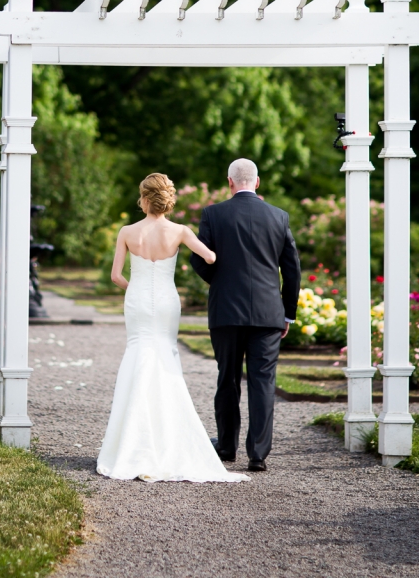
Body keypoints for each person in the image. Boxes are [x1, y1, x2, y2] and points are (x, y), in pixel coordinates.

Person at [96, 173, 248, 483]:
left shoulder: (127, 231)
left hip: (137, 301)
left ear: (144, 198)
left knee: (138, 354)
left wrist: (135, 290)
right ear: (167, 199)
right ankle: (170, 439)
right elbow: (210, 256)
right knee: (165, 356)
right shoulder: (180, 231)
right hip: (167, 301)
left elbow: (115, 276)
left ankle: (131, 442)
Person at [190, 158, 301, 472]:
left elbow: (198, 258)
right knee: (263, 381)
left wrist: (221, 282)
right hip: (268, 314)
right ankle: (258, 454)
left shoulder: (213, 214)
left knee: (227, 378)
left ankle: (227, 446)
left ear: (230, 182)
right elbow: (292, 269)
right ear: (258, 181)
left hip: (225, 311)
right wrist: (288, 313)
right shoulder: (278, 216)